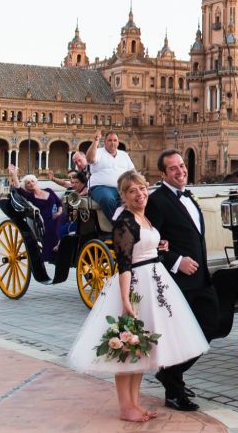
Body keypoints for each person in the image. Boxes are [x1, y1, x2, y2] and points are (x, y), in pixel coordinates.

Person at [69, 171, 209, 423]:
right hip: (135, 286)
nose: (140, 194)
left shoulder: (141, 217)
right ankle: (126, 406)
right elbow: (124, 265)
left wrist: (159, 246)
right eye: (132, 191)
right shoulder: (125, 221)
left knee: (141, 350)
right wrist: (125, 301)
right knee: (127, 350)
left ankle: (134, 403)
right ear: (123, 196)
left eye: (142, 189)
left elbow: (144, 246)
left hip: (154, 281)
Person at [144, 150, 220, 411]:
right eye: (173, 168)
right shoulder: (157, 201)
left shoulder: (189, 195)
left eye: (182, 166)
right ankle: (174, 392)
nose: (180, 171)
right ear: (163, 174)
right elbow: (151, 243)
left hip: (200, 276)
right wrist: (177, 261)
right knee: (181, 334)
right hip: (177, 280)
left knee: (212, 323)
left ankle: (169, 374)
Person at [7, 164, 62, 263]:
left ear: (36, 182)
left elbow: (59, 203)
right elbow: (19, 189)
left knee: (64, 220)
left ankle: (61, 244)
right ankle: (55, 248)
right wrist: (14, 175)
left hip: (57, 214)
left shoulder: (49, 190)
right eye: (28, 183)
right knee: (52, 226)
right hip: (45, 219)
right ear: (27, 187)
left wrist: (59, 212)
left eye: (32, 181)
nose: (31, 183)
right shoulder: (30, 196)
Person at [87, 130, 136, 217]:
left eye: (115, 140)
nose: (112, 143)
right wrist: (95, 141)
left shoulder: (124, 155)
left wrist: (142, 183)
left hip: (121, 188)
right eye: (110, 140)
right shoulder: (98, 152)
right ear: (105, 142)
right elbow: (89, 159)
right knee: (107, 199)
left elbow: (132, 172)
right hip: (100, 187)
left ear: (118, 142)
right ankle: (119, 226)